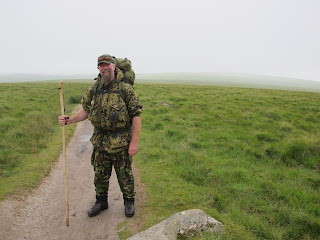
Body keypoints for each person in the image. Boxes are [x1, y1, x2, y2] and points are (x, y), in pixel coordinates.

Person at [58, 54, 143, 218]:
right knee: (100, 175)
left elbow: (136, 116)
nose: (104, 68)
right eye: (101, 65)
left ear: (114, 67)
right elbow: (85, 110)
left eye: (107, 65)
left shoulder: (125, 89)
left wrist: (134, 142)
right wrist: (70, 120)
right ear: (98, 68)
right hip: (100, 141)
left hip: (121, 142)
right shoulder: (94, 88)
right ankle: (101, 201)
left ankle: (129, 202)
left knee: (125, 175)